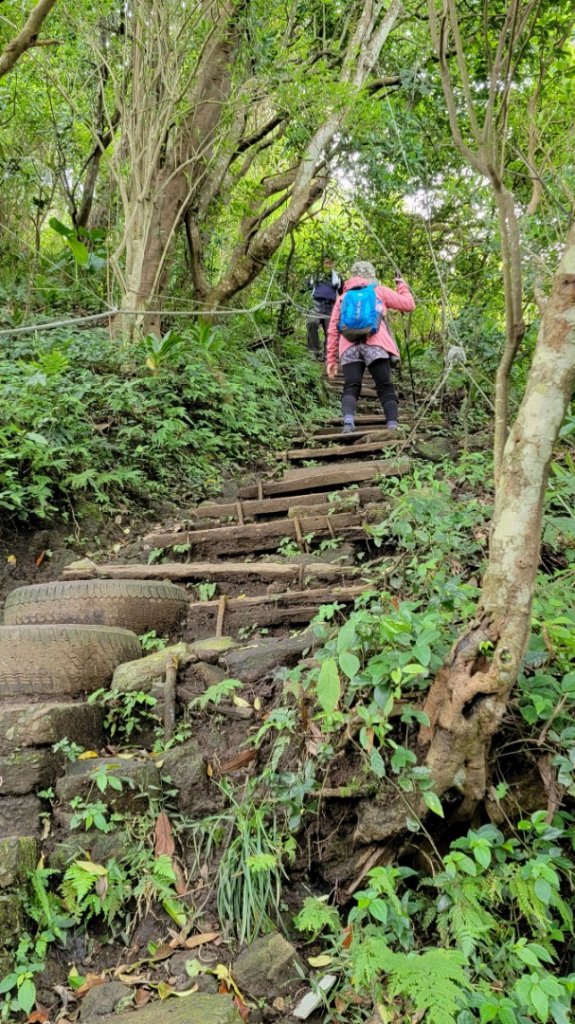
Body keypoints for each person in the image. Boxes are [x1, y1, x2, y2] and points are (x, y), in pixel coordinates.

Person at [326, 260, 415, 432]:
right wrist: (401, 285)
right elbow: (409, 305)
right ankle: (392, 425)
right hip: (376, 344)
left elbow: (332, 329)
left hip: (349, 346)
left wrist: (331, 359)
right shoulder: (378, 291)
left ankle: (348, 421)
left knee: (351, 384)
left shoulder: (343, 298)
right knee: (384, 385)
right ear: (372, 276)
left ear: (352, 276)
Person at [306, 257, 342, 358]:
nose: (327, 265)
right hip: (316, 304)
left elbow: (342, 292)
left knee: (331, 330)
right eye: (325, 263)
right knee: (312, 322)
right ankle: (314, 351)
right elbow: (305, 287)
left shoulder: (337, 278)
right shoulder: (315, 275)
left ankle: (329, 353)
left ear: (333, 264)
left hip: (330, 306)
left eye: (330, 263)